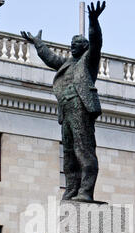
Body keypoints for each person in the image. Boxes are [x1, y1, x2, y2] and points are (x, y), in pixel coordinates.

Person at [21, 1, 106, 203]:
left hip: (81, 107)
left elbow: (96, 41)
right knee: (68, 152)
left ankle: (86, 190)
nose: (72, 46)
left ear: (83, 47)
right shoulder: (67, 64)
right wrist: (38, 43)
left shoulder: (89, 61)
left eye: (76, 44)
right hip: (66, 109)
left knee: (83, 149)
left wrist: (93, 20)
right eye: (71, 44)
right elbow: (50, 58)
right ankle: (71, 189)